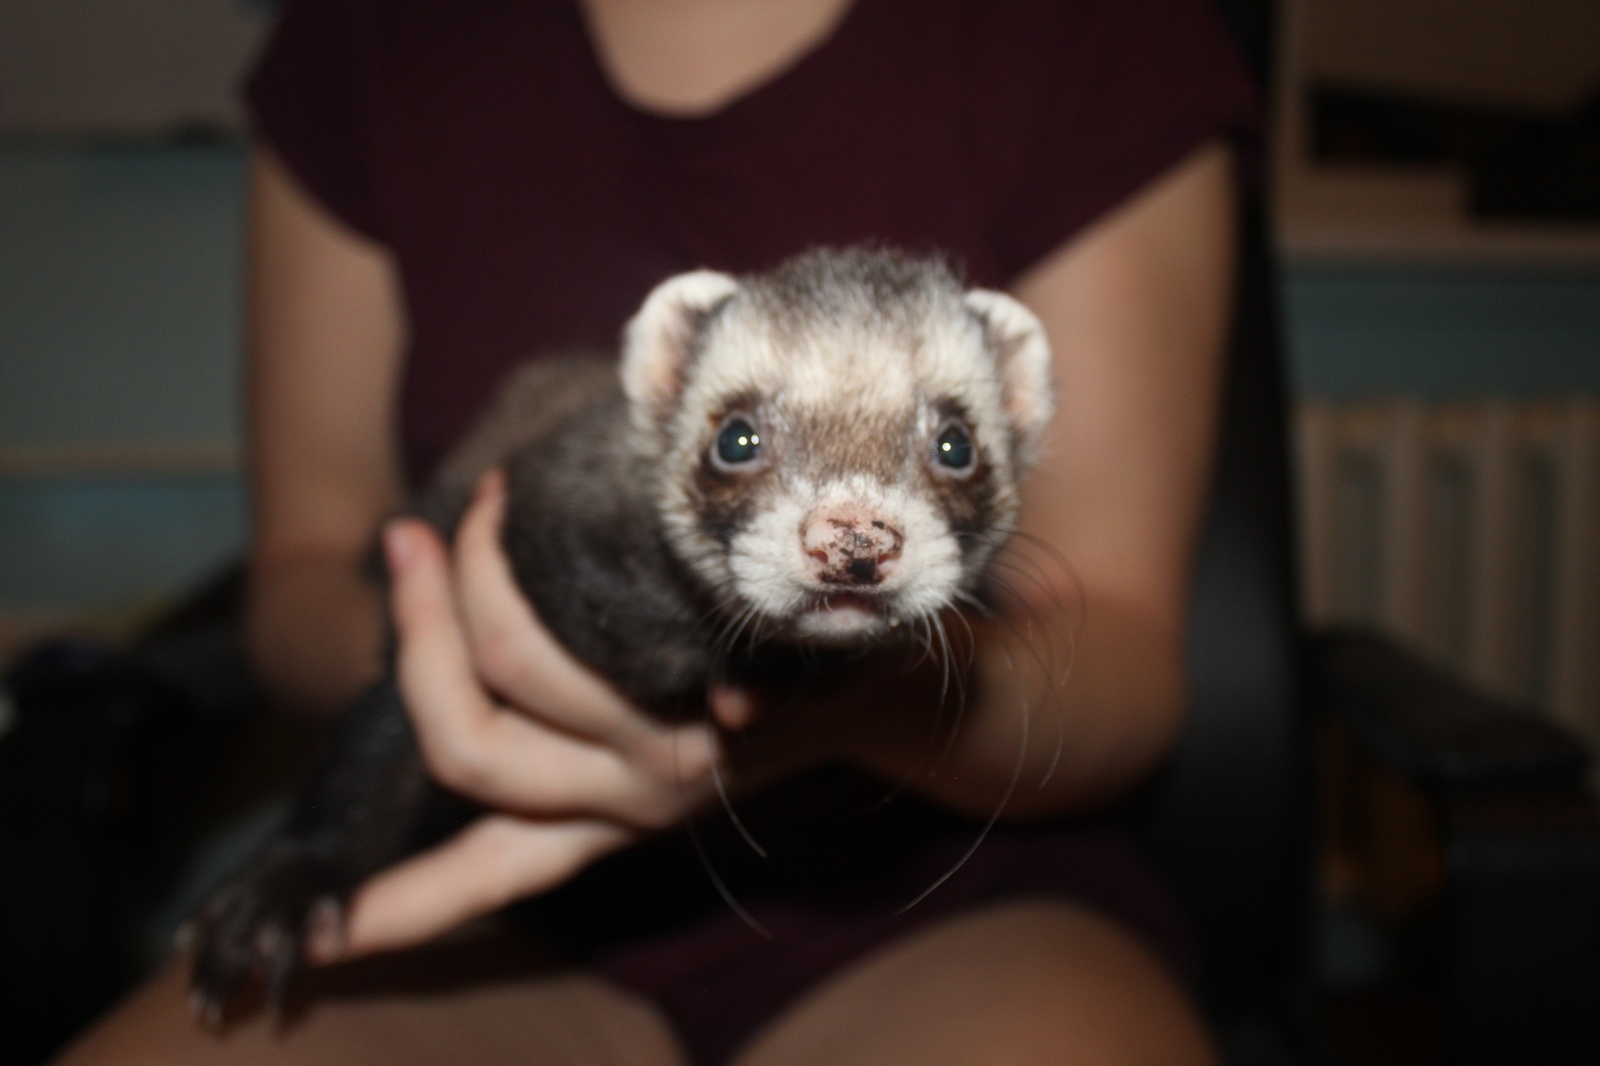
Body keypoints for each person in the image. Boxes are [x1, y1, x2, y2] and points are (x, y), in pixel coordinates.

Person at [56, 0, 1258, 1062]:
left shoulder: (1092, 31)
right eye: (743, 442)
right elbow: (322, 595)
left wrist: (858, 711)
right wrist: (442, 678)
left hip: (951, 899)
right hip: (502, 903)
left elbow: (1123, 654)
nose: (853, 521)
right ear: (664, 399)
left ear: (1018, 412)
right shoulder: (373, 34)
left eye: (946, 449)